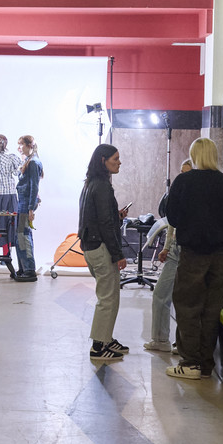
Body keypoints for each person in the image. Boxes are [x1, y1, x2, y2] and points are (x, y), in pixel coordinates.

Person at [164, 138, 223, 381]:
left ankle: (190, 363)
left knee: (188, 307)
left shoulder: (184, 181)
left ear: (194, 155)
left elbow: (172, 215)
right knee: (211, 309)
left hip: (193, 254)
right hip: (221, 255)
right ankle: (207, 364)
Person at [79, 143, 129, 365]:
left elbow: (100, 217)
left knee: (110, 297)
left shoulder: (92, 183)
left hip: (93, 245)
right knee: (107, 299)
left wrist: (116, 215)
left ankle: (106, 339)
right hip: (101, 247)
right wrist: (118, 253)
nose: (119, 162)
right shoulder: (101, 186)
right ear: (103, 160)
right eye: (115, 159)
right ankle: (99, 346)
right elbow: (105, 223)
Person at [146, 159, 194, 354]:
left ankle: (180, 344)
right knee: (161, 294)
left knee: (185, 300)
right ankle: (160, 339)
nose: (182, 176)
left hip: (190, 251)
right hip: (175, 250)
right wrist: (166, 248)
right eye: (181, 172)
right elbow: (171, 225)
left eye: (187, 172)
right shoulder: (178, 194)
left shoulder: (197, 197)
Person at [0, 133, 24, 278]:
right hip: (9, 194)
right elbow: (18, 173)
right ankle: (5, 255)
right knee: (9, 224)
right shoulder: (11, 157)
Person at [14, 135, 44, 282]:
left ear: (29, 146)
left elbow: (34, 186)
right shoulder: (28, 161)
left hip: (26, 203)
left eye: (21, 145)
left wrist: (31, 208)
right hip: (23, 202)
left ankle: (29, 270)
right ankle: (23, 268)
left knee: (23, 235)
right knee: (20, 235)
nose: (19, 148)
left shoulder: (33, 163)